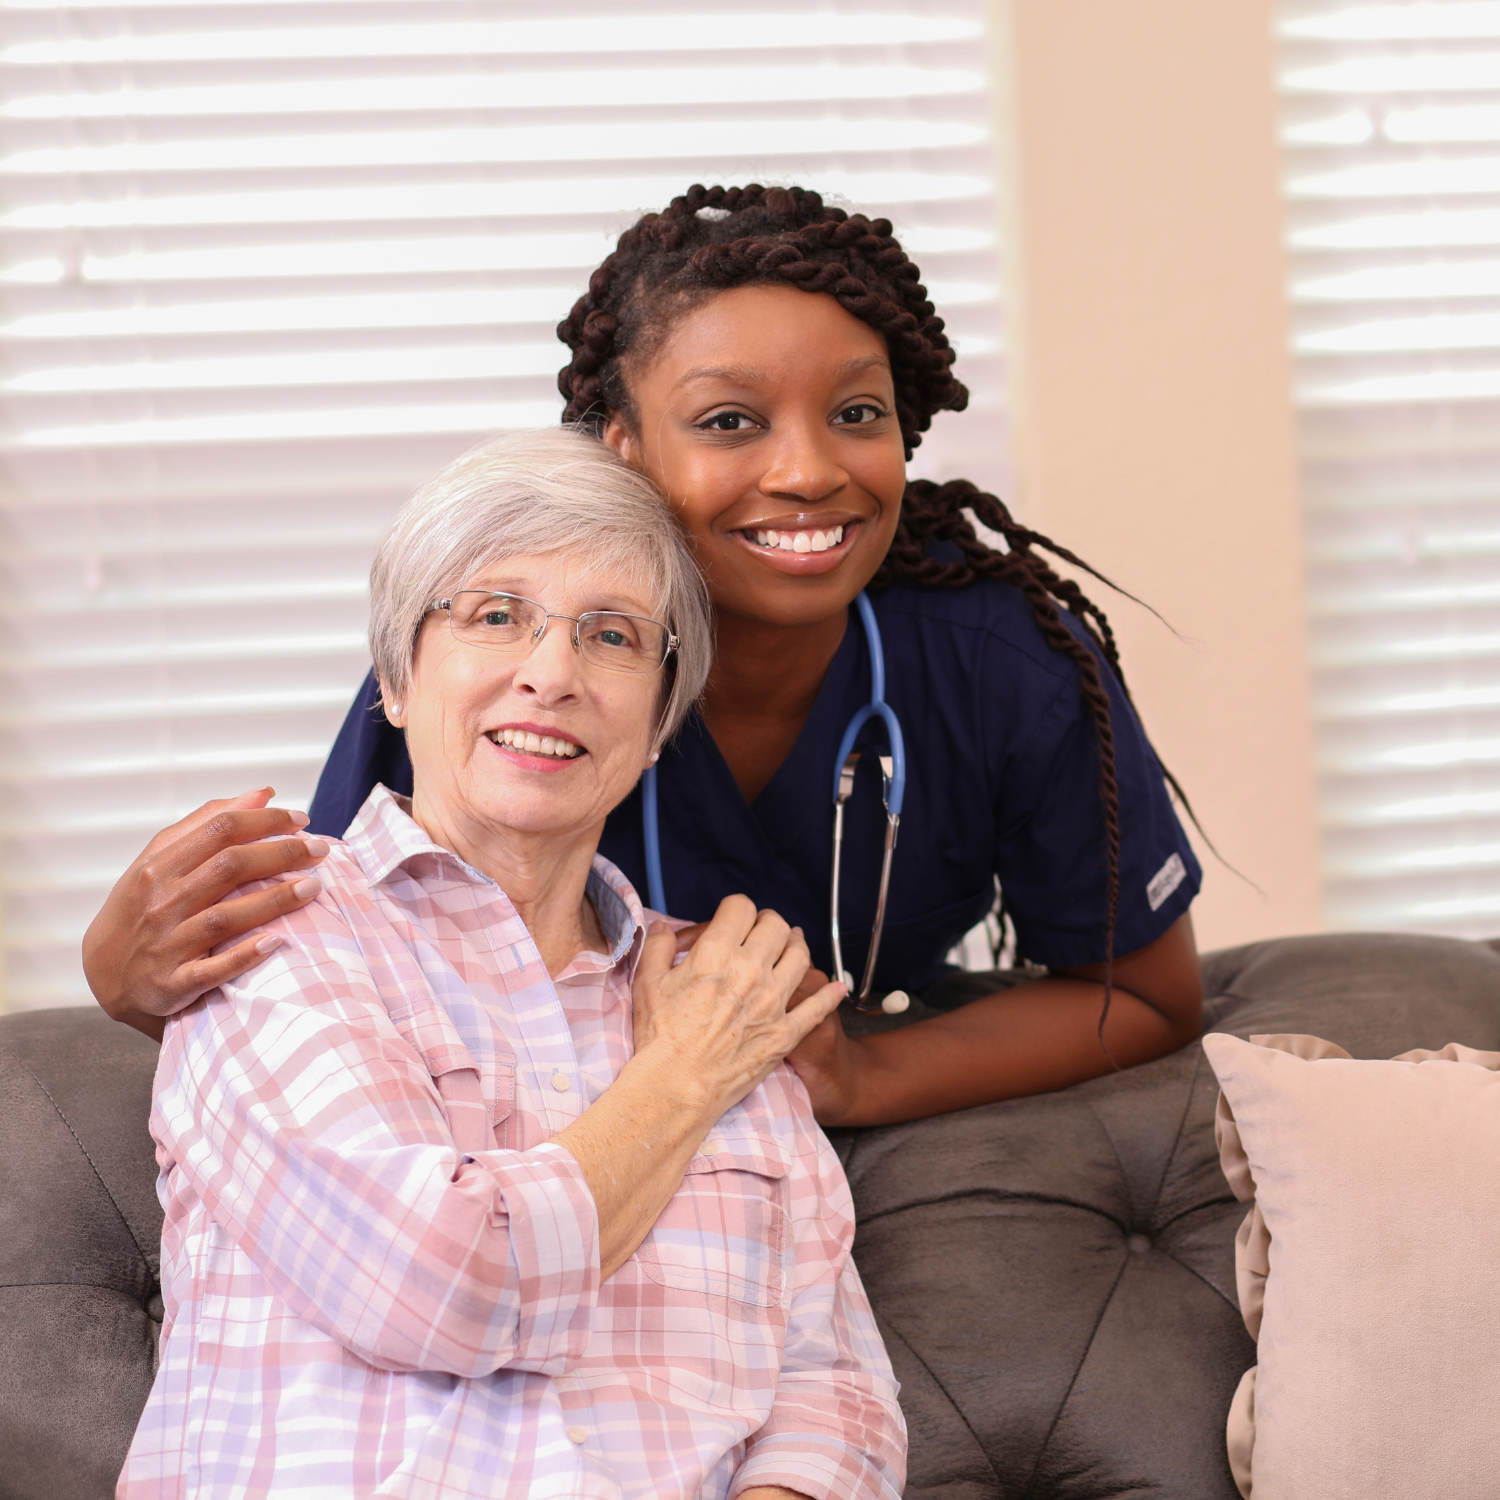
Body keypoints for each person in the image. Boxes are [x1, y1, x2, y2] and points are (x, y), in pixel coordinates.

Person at [84, 183, 1204, 1128]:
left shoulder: (997, 662)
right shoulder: (499, 670)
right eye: (729, 422)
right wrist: (120, 976)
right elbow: (321, 982)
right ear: (622, 444)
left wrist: (864, 1074)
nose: (812, 470)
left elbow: (1148, 999)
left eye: (857, 412)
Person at [120, 428, 904, 1500]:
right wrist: (682, 1079)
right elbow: (446, 1283)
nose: (552, 674)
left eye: (614, 636)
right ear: (397, 677)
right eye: (496, 617)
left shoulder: (722, 995)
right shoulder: (278, 934)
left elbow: (837, 1395)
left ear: (662, 714)